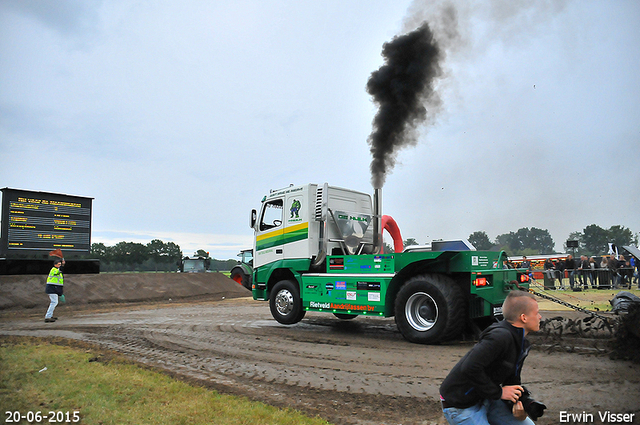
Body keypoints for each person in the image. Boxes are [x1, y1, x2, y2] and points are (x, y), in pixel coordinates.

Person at [439, 291, 542, 425]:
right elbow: (469, 367)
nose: (540, 317)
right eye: (537, 313)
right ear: (524, 317)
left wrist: (518, 405)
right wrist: (498, 392)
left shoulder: (521, 343)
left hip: (487, 398)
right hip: (461, 405)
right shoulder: (499, 337)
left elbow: (511, 381)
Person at [44, 257, 64, 323]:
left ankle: (49, 316)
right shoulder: (54, 270)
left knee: (54, 302)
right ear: (55, 265)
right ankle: (48, 317)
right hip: (51, 288)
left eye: (60, 264)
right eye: (58, 264)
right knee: (54, 302)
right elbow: (59, 271)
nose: (59, 265)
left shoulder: (56, 270)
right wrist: (63, 265)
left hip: (53, 288)